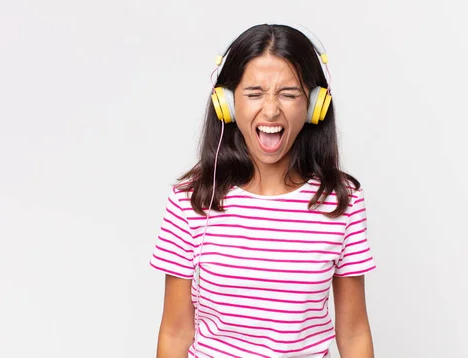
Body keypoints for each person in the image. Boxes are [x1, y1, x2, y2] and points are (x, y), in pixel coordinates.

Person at [149, 23, 377, 357]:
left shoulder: (342, 201)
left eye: (289, 94)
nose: (270, 110)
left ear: (315, 105)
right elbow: (175, 331)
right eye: (254, 93)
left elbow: (354, 333)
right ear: (226, 103)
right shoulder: (190, 200)